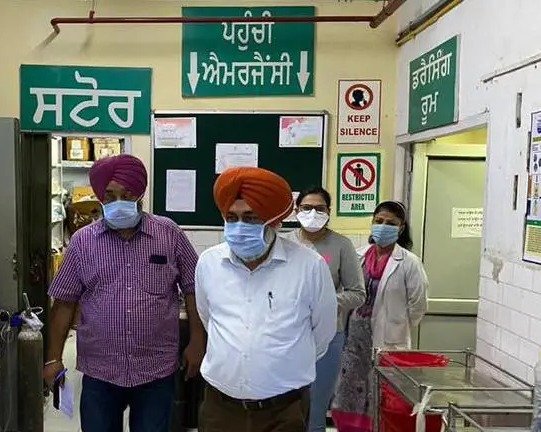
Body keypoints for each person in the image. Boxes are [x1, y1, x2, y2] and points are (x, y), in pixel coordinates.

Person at [43, 154, 206, 432]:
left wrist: (197, 341)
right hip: (100, 370)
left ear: (140, 194)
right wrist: (53, 359)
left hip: (155, 369)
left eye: (126, 194)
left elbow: (193, 288)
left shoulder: (169, 234)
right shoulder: (82, 242)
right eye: (109, 196)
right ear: (100, 197)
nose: (118, 202)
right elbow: (64, 303)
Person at [195, 167, 338, 432]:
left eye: (250, 218)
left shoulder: (309, 266)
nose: (239, 227)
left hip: (284, 409)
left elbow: (323, 333)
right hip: (220, 407)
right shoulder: (209, 263)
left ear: (274, 222)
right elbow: (208, 317)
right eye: (232, 218)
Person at [331, 201, 428, 432]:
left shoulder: (409, 263)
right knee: (349, 393)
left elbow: (418, 305)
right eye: (379, 221)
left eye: (391, 223)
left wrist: (397, 326)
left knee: (382, 395)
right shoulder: (358, 256)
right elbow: (347, 293)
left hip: (388, 340)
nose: (383, 226)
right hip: (354, 340)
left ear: (401, 228)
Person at [290, 187, 365, 432]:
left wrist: (326, 301)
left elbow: (358, 293)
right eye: (306, 208)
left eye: (319, 209)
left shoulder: (341, 245)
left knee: (315, 406)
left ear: (329, 212)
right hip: (287, 335)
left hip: (329, 334)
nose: (313, 213)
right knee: (285, 406)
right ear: (296, 211)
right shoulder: (285, 243)